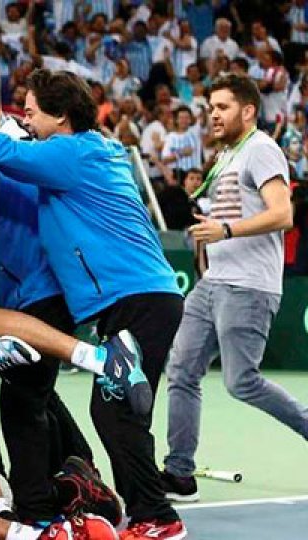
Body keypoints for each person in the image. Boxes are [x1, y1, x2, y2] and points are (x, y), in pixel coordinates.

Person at [0, 69, 187, 540]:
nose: (27, 120)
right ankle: (138, 510)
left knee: (118, 412)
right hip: (132, 299)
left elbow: (8, 153)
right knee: (111, 411)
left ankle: (158, 519)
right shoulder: (75, 155)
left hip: (141, 297)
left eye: (32, 112)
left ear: (61, 116)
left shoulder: (74, 152)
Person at [162, 73, 308, 503]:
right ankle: (179, 474)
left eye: (222, 108)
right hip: (213, 284)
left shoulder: (262, 149)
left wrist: (225, 229)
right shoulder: (228, 156)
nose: (213, 116)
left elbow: (283, 214)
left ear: (248, 110)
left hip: (248, 287)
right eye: (210, 109)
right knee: (182, 370)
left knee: (241, 382)